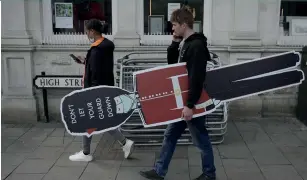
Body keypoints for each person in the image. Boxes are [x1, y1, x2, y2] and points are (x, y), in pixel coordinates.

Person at [139, 8, 216, 180]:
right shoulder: (186, 43)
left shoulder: (196, 46)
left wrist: (190, 105)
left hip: (191, 103)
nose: (172, 28)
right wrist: (174, 44)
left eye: (174, 25)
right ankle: (159, 171)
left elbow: (196, 78)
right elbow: (173, 68)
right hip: (185, 101)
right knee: (171, 135)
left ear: (183, 24)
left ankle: (210, 174)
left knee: (201, 140)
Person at [69, 19, 135, 161]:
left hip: (95, 91)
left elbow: (96, 74)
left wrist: (90, 94)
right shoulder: (103, 46)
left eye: (87, 31)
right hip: (102, 90)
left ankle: (87, 153)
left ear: (92, 31)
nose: (86, 33)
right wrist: (85, 61)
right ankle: (124, 143)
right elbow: (98, 68)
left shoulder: (97, 50)